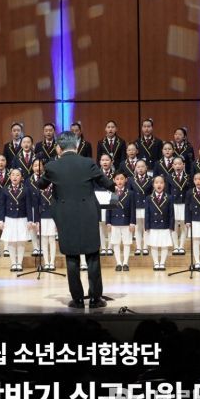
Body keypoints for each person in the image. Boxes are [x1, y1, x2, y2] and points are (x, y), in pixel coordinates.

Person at [37, 131, 115, 309]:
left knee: (72, 257)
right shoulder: (88, 163)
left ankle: (78, 299)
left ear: (59, 148)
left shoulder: (52, 166)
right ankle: (95, 299)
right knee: (92, 256)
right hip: (88, 214)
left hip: (65, 216)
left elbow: (41, 184)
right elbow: (107, 183)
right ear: (77, 146)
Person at [0, 168, 33, 272]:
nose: (15, 177)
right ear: (9, 177)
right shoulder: (5, 189)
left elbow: (28, 206)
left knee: (21, 241)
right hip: (9, 219)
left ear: (21, 177)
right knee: (11, 241)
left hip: (22, 218)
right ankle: (13, 263)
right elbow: (2, 206)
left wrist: (30, 220)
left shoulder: (26, 189)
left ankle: (19, 263)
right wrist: (1, 220)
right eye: (13, 174)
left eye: (17, 175)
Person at [106, 171, 136, 271]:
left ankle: (125, 263)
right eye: (117, 179)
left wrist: (132, 222)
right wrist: (108, 222)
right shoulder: (112, 193)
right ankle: (118, 263)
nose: (119, 181)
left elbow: (132, 209)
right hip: (114, 222)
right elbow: (109, 209)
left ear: (126, 180)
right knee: (116, 243)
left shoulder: (130, 193)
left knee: (127, 243)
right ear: (114, 180)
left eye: (122, 179)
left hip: (126, 222)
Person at [145, 175, 174, 271]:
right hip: (153, 225)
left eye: (161, 182)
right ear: (153, 185)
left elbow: (171, 213)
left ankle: (162, 263)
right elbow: (147, 213)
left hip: (165, 225)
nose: (159, 184)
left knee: (164, 245)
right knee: (154, 245)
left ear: (164, 184)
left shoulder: (169, 197)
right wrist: (147, 226)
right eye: (156, 182)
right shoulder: (149, 198)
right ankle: (156, 263)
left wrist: (171, 226)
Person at [128, 159, 152, 256]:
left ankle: (145, 247)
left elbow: (152, 194)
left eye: (142, 166)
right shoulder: (131, 179)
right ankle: (138, 247)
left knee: (146, 228)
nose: (140, 168)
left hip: (147, 206)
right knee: (137, 228)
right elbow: (129, 194)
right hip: (136, 206)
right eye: (138, 167)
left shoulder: (151, 179)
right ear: (135, 168)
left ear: (146, 168)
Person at [167, 156, 190, 255]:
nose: (178, 166)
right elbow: (167, 192)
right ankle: (175, 246)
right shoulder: (169, 177)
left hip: (184, 204)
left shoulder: (188, 177)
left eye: (180, 164)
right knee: (174, 225)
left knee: (184, 225)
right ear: (172, 166)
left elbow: (190, 192)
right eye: (175, 164)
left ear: (183, 165)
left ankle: (182, 246)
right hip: (173, 204)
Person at [96, 153, 114, 256]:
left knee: (111, 224)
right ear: (100, 162)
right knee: (101, 225)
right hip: (99, 200)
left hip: (112, 199)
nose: (105, 162)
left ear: (111, 162)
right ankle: (103, 247)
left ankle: (110, 247)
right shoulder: (96, 174)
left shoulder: (115, 174)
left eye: (107, 160)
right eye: (103, 160)